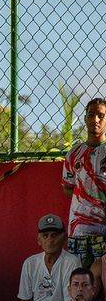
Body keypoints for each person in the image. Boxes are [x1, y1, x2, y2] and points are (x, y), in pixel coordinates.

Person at [16, 213, 80, 301]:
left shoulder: (71, 262)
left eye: (54, 235)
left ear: (65, 238)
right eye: (45, 236)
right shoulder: (30, 263)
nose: (50, 240)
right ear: (38, 240)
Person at [62, 97, 106, 267]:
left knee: (102, 278)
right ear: (85, 118)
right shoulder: (74, 154)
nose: (95, 119)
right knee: (79, 276)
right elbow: (67, 189)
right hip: (79, 228)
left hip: (103, 227)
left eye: (101, 116)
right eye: (91, 115)